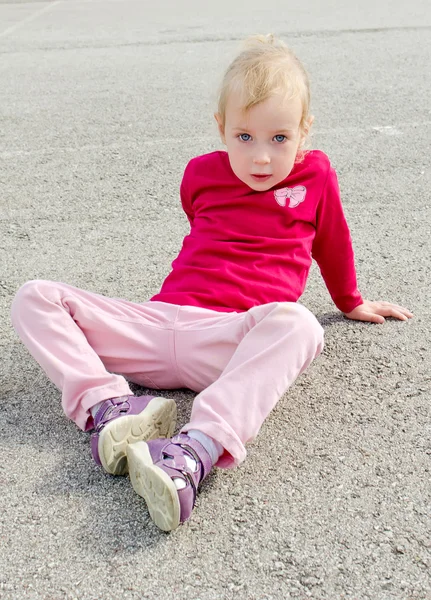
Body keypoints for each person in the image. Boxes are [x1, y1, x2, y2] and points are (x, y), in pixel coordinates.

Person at [11, 35, 413, 532]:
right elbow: (203, 228)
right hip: (156, 326)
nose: (261, 157)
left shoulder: (316, 176)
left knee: (301, 326)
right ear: (221, 128)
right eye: (244, 137)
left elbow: (333, 240)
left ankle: (193, 449)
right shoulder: (200, 173)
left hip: (229, 343)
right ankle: (108, 408)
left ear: (304, 132)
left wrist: (350, 301)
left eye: (279, 138)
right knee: (36, 296)